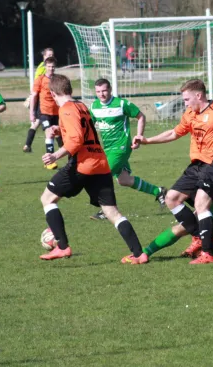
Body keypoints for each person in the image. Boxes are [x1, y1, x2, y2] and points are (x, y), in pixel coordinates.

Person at [133, 79, 213, 264]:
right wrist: (147, 140)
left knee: (201, 203)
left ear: (198, 96)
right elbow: (174, 133)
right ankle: (200, 236)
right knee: (171, 198)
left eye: (186, 99)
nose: (184, 103)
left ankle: (208, 253)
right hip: (197, 166)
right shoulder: (190, 114)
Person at [38, 74, 148, 264]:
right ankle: (139, 254)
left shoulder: (65, 109)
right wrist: (60, 129)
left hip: (83, 165)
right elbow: (82, 131)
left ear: (53, 93)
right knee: (112, 212)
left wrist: (55, 155)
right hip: (100, 163)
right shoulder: (81, 106)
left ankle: (62, 247)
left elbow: (76, 139)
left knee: (47, 198)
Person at [88, 78, 166, 220]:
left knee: (102, 176)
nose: (102, 94)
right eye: (98, 91)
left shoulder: (121, 104)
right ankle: (158, 191)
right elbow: (89, 126)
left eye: (104, 90)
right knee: (124, 180)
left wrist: (139, 136)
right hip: (107, 149)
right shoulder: (94, 107)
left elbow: (140, 116)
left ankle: (108, 210)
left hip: (121, 147)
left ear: (110, 89)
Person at [30, 56, 62, 169]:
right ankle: (49, 161)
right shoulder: (40, 79)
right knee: (49, 132)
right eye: (49, 66)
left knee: (60, 136)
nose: (51, 69)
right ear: (45, 66)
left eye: (53, 67)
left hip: (57, 112)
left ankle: (67, 159)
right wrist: (32, 113)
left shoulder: (58, 80)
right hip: (44, 112)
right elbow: (33, 96)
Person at [23, 48, 54, 153]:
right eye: (49, 55)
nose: (50, 56)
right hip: (42, 99)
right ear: (44, 56)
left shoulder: (48, 66)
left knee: (36, 122)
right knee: (41, 123)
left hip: (43, 99)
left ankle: (27, 145)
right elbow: (39, 83)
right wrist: (33, 96)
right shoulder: (43, 68)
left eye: (52, 55)